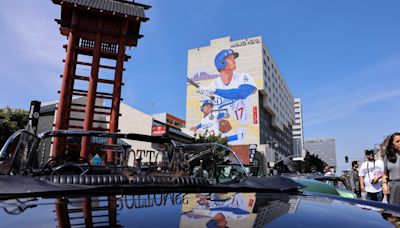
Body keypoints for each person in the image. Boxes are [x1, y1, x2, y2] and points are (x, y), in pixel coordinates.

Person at [382, 132, 400, 205]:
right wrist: (384, 184)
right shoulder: (388, 157)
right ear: (392, 144)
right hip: (393, 187)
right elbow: (385, 174)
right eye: (397, 141)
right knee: (394, 212)